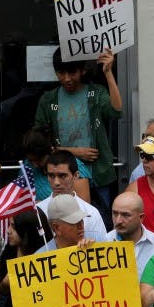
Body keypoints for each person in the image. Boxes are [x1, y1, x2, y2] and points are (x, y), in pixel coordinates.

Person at [33, 48, 122, 209]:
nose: (67, 78)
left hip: (98, 173)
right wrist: (75, 152)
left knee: (98, 219)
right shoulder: (48, 99)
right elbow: (39, 141)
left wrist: (108, 73)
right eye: (61, 73)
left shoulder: (95, 93)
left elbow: (116, 111)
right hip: (62, 175)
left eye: (72, 72)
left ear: (83, 71)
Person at [36, 149, 108, 243]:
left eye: (62, 176)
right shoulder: (37, 212)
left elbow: (102, 247)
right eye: (51, 176)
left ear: (76, 175)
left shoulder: (91, 213)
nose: (56, 182)